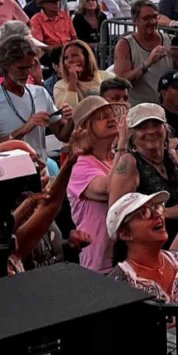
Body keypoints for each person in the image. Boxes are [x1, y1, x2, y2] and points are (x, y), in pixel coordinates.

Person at [107, 191, 178, 322]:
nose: (158, 215)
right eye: (144, 213)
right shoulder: (119, 282)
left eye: (157, 207)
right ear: (125, 234)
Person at [108, 103, 178, 237]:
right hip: (147, 245)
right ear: (132, 135)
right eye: (142, 127)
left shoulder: (172, 157)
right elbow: (117, 213)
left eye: (156, 124)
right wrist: (169, 212)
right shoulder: (129, 161)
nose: (151, 131)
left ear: (165, 129)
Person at [66, 96, 122, 273]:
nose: (112, 119)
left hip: (124, 256)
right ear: (86, 128)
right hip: (98, 265)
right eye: (102, 116)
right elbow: (110, 188)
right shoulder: (81, 166)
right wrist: (124, 145)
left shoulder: (117, 158)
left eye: (111, 114)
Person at [113, 0, 178, 106]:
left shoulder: (170, 40)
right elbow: (121, 83)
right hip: (140, 108)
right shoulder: (125, 45)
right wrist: (148, 63)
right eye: (146, 18)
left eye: (155, 17)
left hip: (168, 109)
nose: (152, 22)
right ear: (134, 21)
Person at [53, 39, 111, 109]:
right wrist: (72, 82)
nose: (70, 60)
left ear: (86, 58)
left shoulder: (107, 77)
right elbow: (67, 113)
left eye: (75, 56)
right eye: (66, 58)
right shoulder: (60, 86)